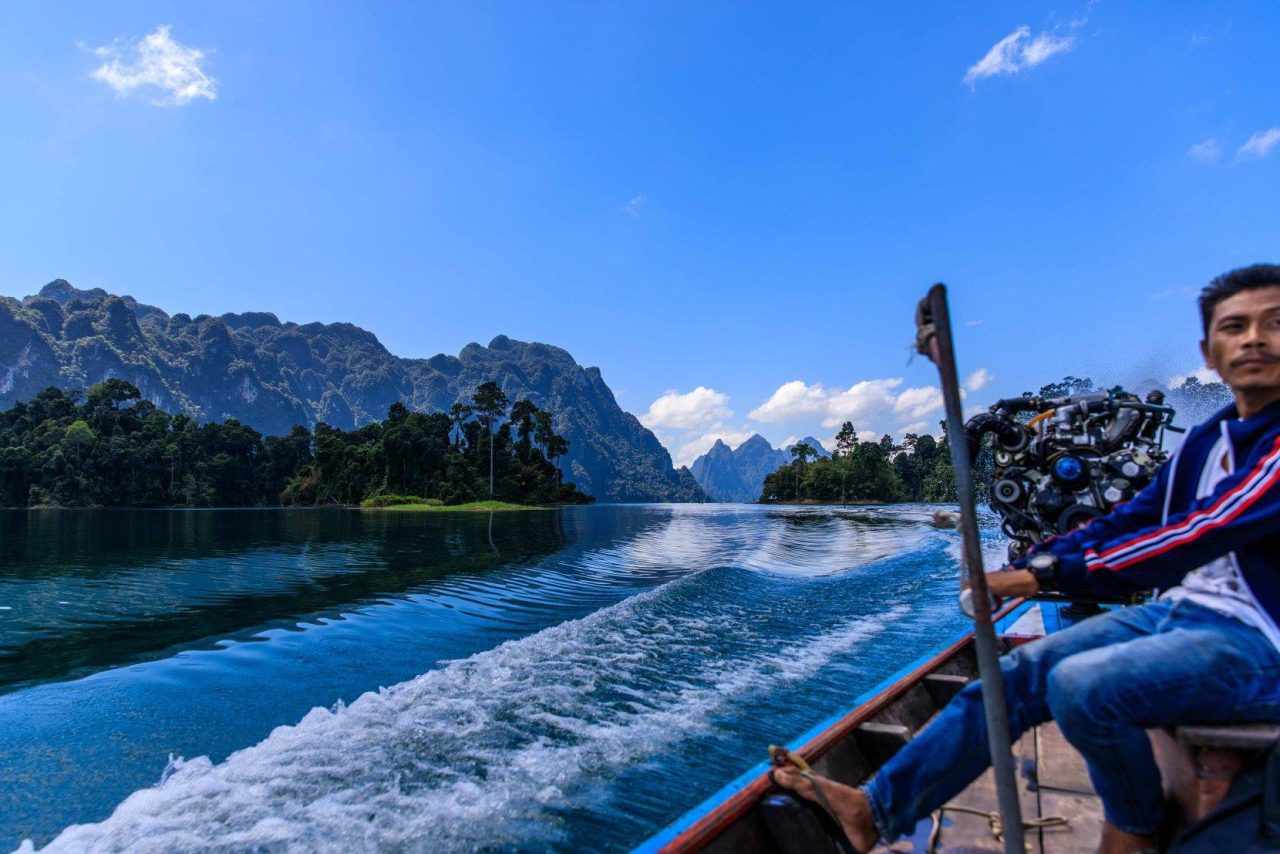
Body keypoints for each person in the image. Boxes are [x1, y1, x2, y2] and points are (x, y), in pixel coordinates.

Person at [774, 264, 1280, 854]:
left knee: (1084, 686)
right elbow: (1134, 520)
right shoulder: (1209, 439)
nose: (1253, 339)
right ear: (1208, 351)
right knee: (1014, 674)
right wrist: (1040, 558)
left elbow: (1198, 533)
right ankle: (876, 809)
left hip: (1263, 638)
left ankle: (1137, 828)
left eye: (1273, 324)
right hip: (1191, 614)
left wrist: (1043, 573)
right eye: (1235, 327)